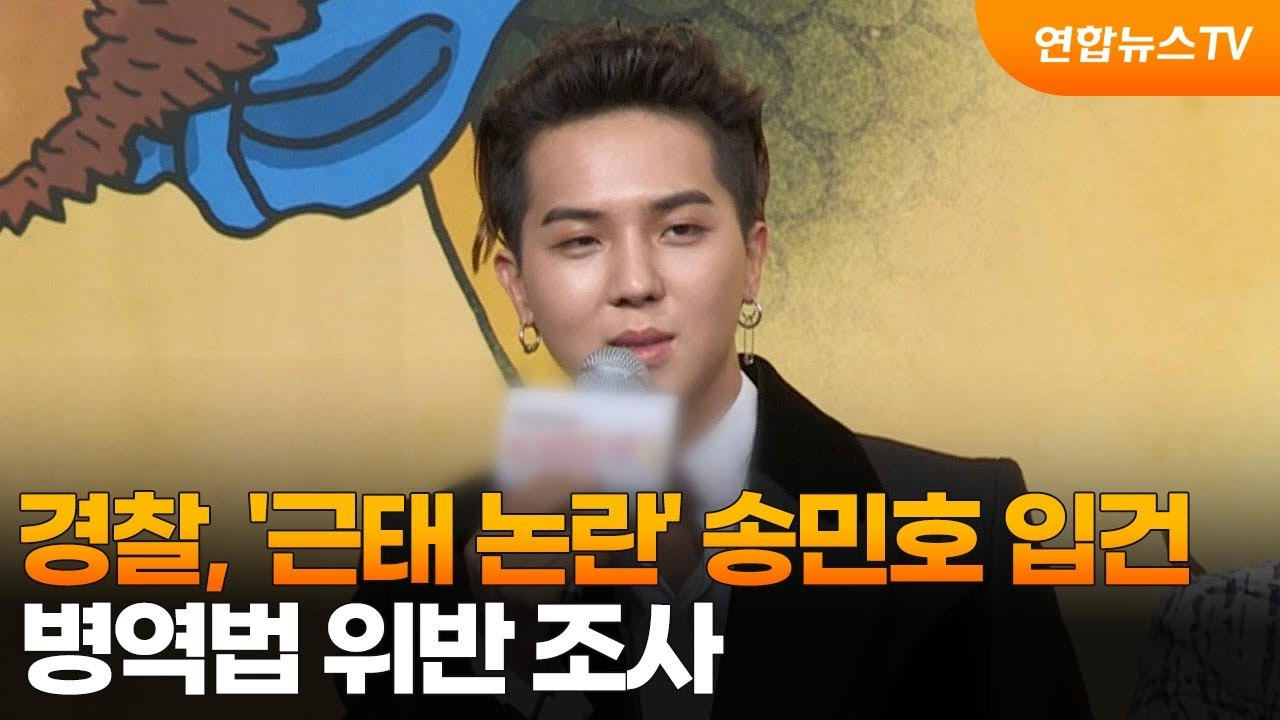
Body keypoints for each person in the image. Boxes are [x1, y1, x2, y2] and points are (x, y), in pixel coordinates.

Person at [342, 22, 1092, 720]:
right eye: (579, 241)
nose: (634, 282)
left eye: (680, 230)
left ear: (752, 258)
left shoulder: (964, 527)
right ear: (519, 289)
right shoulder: (420, 570)